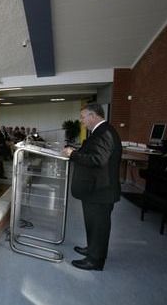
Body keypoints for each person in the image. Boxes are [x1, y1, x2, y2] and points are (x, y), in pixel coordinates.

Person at [62, 104, 122, 271]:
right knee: (93, 223)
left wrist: (72, 154)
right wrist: (75, 152)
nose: (82, 121)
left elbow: (97, 160)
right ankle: (92, 249)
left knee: (99, 225)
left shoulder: (105, 133)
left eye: (83, 117)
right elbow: (93, 154)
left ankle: (95, 260)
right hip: (95, 189)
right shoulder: (101, 132)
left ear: (93, 115)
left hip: (101, 190)